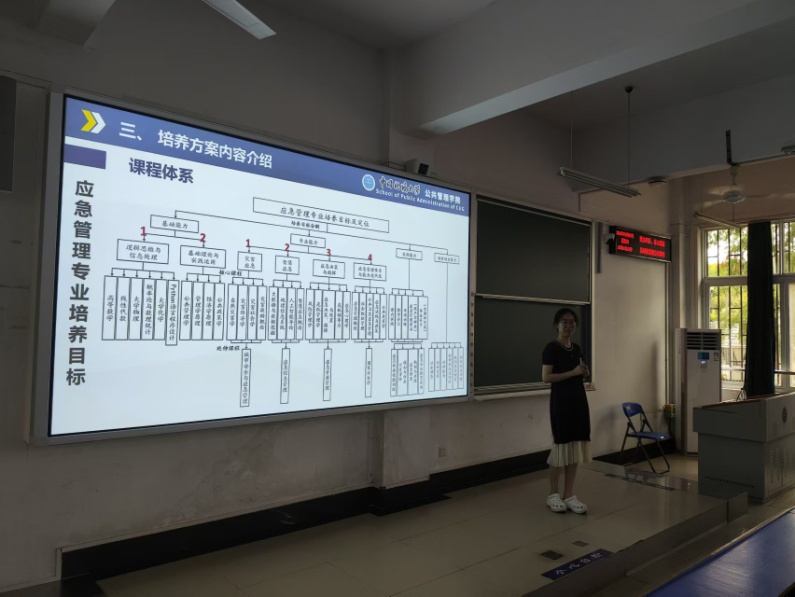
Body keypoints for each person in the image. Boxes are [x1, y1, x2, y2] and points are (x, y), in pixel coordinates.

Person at [541, 308, 591, 514]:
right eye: (565, 322)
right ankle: (553, 494)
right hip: (561, 402)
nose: (569, 326)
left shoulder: (576, 348)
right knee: (560, 448)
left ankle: (568, 494)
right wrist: (572, 372)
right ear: (557, 325)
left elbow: (577, 372)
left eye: (572, 322)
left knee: (575, 448)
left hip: (578, 400)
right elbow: (546, 377)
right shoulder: (551, 348)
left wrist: (583, 373)